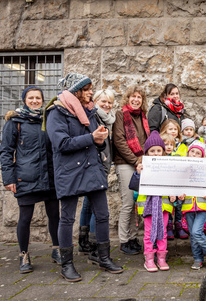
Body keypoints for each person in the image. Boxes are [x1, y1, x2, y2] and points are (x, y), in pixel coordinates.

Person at [46, 73, 123, 282]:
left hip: (92, 168)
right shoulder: (56, 113)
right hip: (69, 171)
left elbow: (94, 141)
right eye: (88, 89)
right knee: (67, 218)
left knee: (103, 215)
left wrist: (98, 139)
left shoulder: (88, 111)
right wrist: (91, 137)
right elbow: (61, 144)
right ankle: (67, 264)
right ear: (76, 91)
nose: (91, 93)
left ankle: (103, 257)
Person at [0, 86, 60, 274]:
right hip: (26, 177)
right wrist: (9, 178)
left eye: (38, 98)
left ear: (43, 100)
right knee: (25, 218)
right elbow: (6, 152)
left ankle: (57, 249)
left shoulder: (49, 119)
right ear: (24, 100)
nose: (35, 101)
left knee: (54, 215)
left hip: (50, 176)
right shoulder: (15, 121)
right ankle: (23, 255)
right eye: (31, 98)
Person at [78, 89, 116, 265]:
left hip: (102, 164)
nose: (107, 105)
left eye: (110, 102)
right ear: (96, 101)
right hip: (96, 165)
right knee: (97, 207)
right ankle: (94, 248)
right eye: (103, 102)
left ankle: (83, 241)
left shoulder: (109, 118)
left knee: (88, 203)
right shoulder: (94, 117)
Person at [131, 131, 175, 272]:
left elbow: (172, 183)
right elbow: (133, 185)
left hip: (163, 206)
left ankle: (161, 258)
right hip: (148, 207)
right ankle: (149, 259)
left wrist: (173, 193)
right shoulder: (142, 165)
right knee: (149, 233)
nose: (155, 153)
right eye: (152, 151)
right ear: (147, 152)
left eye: (158, 150)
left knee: (162, 232)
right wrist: (138, 173)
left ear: (162, 151)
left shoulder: (167, 165)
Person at [113, 85, 150, 255]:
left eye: (139, 97)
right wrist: (135, 161)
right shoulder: (121, 114)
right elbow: (120, 141)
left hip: (141, 164)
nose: (136, 100)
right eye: (132, 97)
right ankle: (124, 240)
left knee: (137, 203)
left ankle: (134, 238)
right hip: (126, 163)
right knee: (128, 203)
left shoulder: (143, 117)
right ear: (127, 99)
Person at [180, 141, 206, 270]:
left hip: (203, 205)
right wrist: (180, 194)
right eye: (192, 152)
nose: (194, 155)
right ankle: (197, 258)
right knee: (193, 234)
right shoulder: (182, 171)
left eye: (198, 153)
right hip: (188, 206)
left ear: (202, 157)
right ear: (188, 153)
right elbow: (178, 187)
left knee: (196, 232)